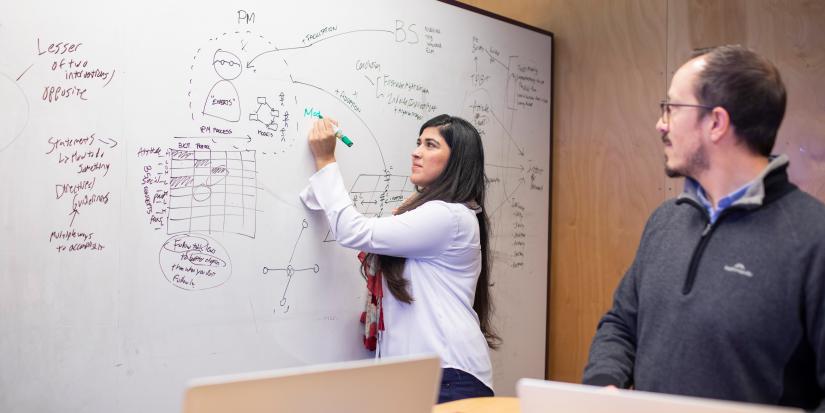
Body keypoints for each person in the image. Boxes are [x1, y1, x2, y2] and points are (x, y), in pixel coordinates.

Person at [582, 45, 825, 411]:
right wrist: (604, 384)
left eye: (672, 108)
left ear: (716, 123)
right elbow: (621, 323)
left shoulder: (813, 238)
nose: (660, 124)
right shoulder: (665, 222)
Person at [299, 114, 499, 403]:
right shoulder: (437, 216)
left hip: (448, 377)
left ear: (457, 161)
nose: (416, 152)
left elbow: (351, 231)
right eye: (418, 143)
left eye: (431, 145)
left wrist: (326, 159)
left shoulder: (449, 217)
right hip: (425, 377)